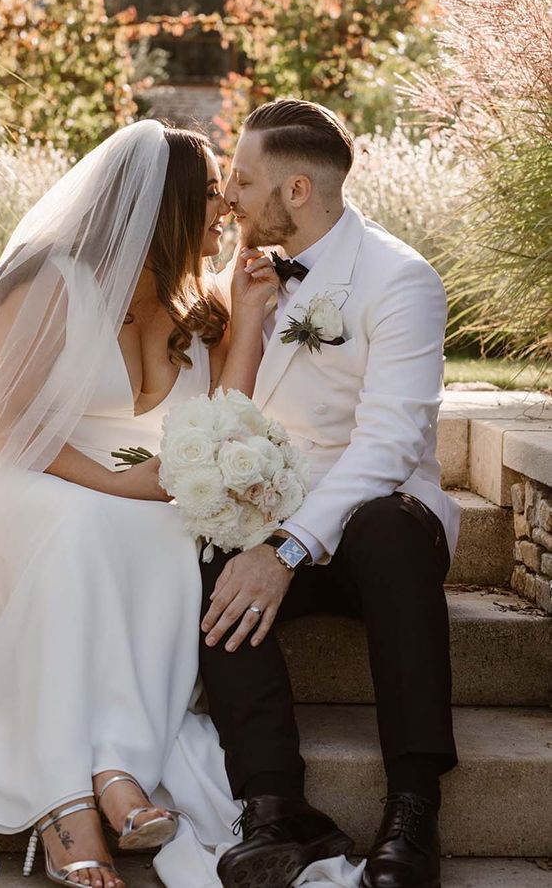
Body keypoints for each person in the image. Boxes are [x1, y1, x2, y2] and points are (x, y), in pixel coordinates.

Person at [0, 119, 277, 888]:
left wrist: (246, 316)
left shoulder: (198, 305)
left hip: (123, 486)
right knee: (80, 527)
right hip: (17, 476)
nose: (226, 211)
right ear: (165, 203)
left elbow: (224, 423)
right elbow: (5, 424)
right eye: (211, 195)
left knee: (175, 537)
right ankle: (65, 796)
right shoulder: (50, 278)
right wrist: (115, 483)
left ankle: (112, 762)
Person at [198, 98, 461, 888]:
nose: (228, 196)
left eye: (243, 181)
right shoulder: (245, 273)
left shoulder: (401, 279)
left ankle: (412, 810)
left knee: (384, 526)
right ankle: (277, 808)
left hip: (382, 536)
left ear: (299, 189)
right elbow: (226, 415)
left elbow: (389, 445)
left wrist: (286, 547)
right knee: (214, 557)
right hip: (282, 517)